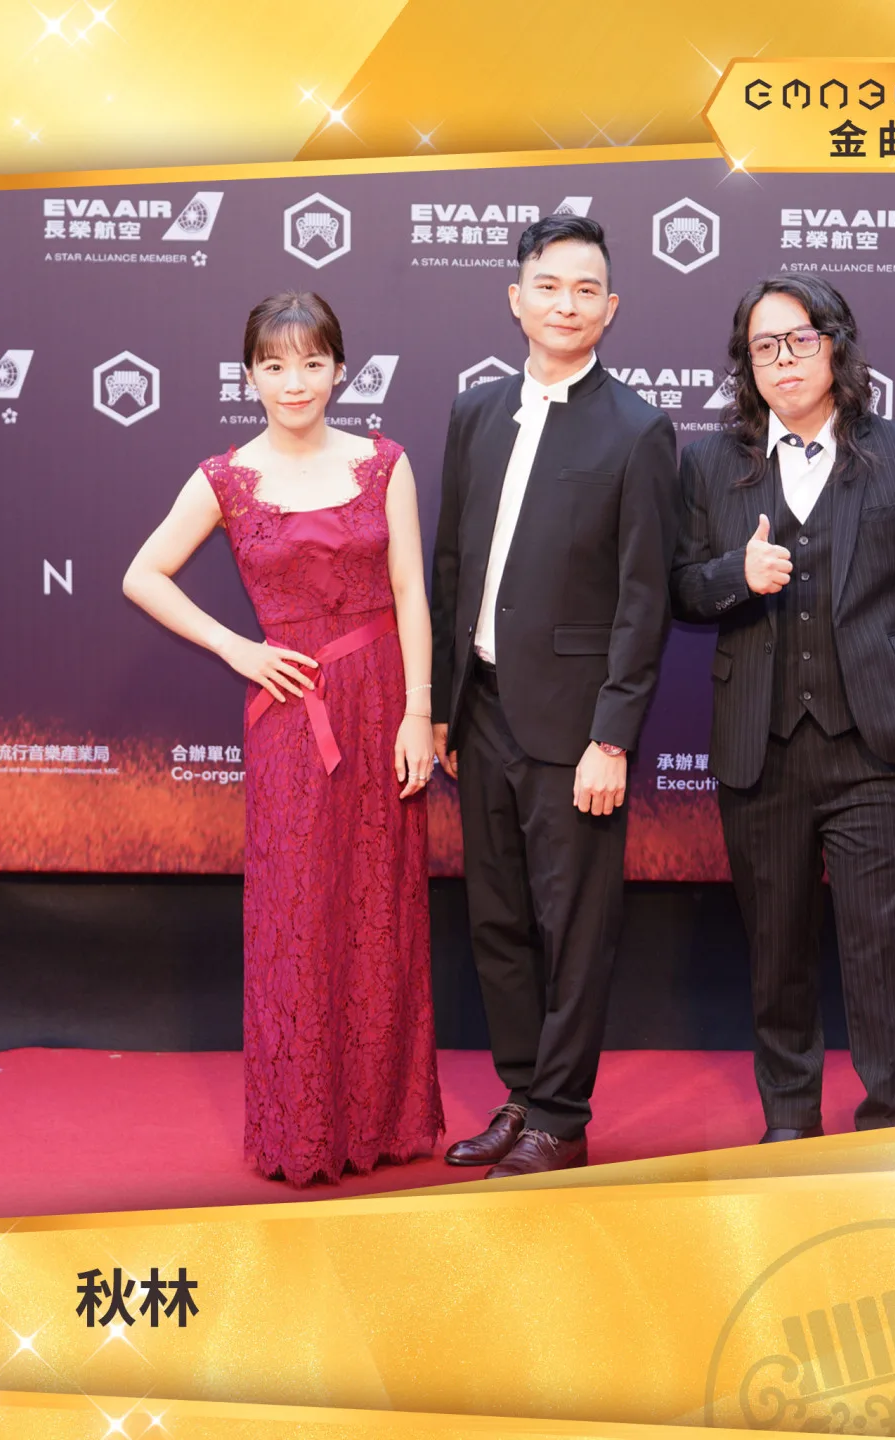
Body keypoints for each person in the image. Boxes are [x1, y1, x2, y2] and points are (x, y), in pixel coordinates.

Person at [123, 291, 443, 1184]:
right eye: (273, 365)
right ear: (249, 376)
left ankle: (380, 1123)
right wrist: (237, 648)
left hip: (382, 704)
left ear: (340, 369)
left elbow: (411, 592)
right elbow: (143, 574)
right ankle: (303, 1130)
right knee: (297, 918)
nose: (293, 381)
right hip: (292, 716)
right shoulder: (226, 477)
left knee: (380, 913)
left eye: (310, 362)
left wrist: (418, 712)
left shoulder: (384, 463)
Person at [671, 276, 895, 1140]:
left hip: (877, 747)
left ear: (835, 344)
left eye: (799, 339)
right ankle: (789, 1127)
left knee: (881, 952)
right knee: (776, 952)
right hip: (758, 748)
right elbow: (681, 588)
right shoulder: (710, 463)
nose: (783, 360)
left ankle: (891, 1127)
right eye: (763, 346)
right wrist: (735, 575)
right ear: (746, 363)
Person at [431, 215, 680, 1177]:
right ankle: (522, 1093)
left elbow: (643, 599)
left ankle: (561, 1120)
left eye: (584, 290)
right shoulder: (474, 413)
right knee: (496, 919)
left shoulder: (638, 430)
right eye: (547, 285)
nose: (564, 305)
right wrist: (445, 704)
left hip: (576, 726)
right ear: (515, 298)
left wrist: (611, 736)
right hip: (482, 709)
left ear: (609, 309)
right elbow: (453, 564)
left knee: (572, 927)